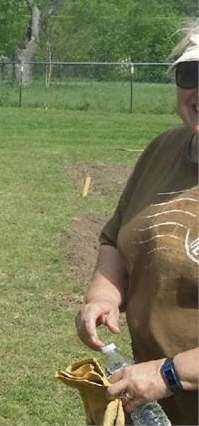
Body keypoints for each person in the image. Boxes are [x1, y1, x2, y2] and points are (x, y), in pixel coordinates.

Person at [75, 22, 199, 424]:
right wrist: (103, 296)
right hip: (159, 403)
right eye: (192, 74)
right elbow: (116, 237)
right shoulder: (165, 148)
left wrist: (172, 373)